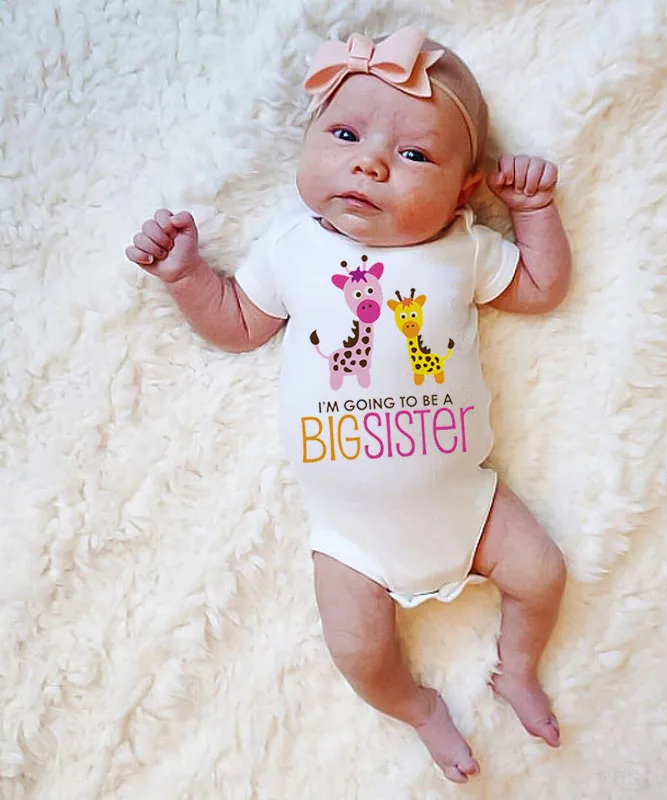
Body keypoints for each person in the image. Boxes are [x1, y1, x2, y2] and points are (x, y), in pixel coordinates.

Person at [126, 26, 571, 783]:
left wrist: (533, 212)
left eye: (415, 155)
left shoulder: (462, 248)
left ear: (465, 191)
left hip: (471, 507)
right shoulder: (293, 246)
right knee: (360, 653)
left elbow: (540, 287)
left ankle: (518, 669)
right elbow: (238, 322)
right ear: (306, 143)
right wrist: (186, 275)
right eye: (344, 134)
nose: (371, 162)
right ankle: (418, 709)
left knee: (544, 573)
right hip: (351, 537)